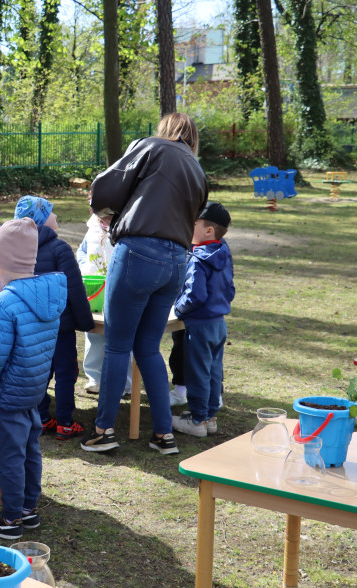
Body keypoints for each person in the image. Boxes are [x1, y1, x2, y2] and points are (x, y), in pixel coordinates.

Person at [80, 112, 208, 456]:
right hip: (177, 261)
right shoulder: (197, 169)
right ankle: (164, 434)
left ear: (165, 131)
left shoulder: (150, 147)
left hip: (138, 252)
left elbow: (105, 186)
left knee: (118, 345)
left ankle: (104, 429)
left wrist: (106, 213)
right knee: (149, 348)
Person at [0, 218, 67, 540]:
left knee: (10, 457)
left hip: (7, 397)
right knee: (30, 450)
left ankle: (10, 520)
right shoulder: (47, 297)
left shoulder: (2, 304)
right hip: (33, 392)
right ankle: (28, 510)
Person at [14, 195, 95, 440]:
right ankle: (66, 422)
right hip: (61, 327)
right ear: (40, 219)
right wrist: (86, 322)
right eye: (51, 212)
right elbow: (75, 288)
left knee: (40, 373)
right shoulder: (60, 248)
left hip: (32, 328)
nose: (56, 216)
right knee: (66, 373)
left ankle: (42, 417)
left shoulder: (17, 249)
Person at [171, 202, 234, 437]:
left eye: (193, 224)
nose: (188, 228)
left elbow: (194, 295)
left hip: (198, 325)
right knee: (213, 372)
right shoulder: (223, 254)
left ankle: (197, 421)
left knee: (197, 373)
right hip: (219, 323)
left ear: (209, 231)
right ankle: (209, 417)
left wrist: (178, 309)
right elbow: (230, 289)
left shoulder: (198, 259)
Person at [76, 212, 131, 397]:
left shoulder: (126, 226)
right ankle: (95, 377)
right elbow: (82, 251)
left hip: (121, 285)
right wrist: (86, 266)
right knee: (94, 332)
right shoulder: (92, 228)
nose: (101, 217)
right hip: (96, 286)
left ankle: (126, 381)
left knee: (123, 334)